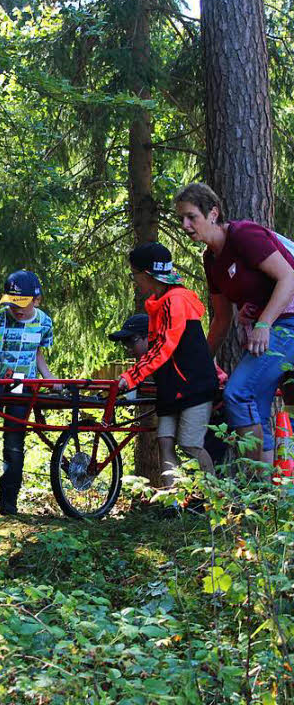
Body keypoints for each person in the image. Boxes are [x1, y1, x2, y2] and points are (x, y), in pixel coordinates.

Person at [177, 182, 294, 465]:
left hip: (286, 324)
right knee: (255, 403)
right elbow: (222, 317)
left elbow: (289, 277)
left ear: (213, 213)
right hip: (265, 332)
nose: (184, 224)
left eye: (191, 216)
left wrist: (264, 324)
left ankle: (256, 487)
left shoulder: (244, 235)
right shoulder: (211, 260)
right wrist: (201, 364)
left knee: (240, 394)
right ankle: (266, 498)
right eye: (180, 218)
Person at [116, 244, 218, 486]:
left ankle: (215, 497)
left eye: (135, 274)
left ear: (147, 274)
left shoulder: (176, 301)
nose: (135, 281)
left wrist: (131, 377)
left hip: (193, 385)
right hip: (171, 385)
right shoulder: (158, 303)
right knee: (164, 440)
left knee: (190, 443)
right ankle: (171, 501)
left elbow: (163, 347)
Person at [0, 270, 56, 515]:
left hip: (23, 385)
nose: (17, 309)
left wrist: (50, 378)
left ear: (37, 300)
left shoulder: (44, 322)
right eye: (12, 303)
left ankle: (9, 501)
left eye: (22, 303)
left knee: (13, 442)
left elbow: (38, 355)